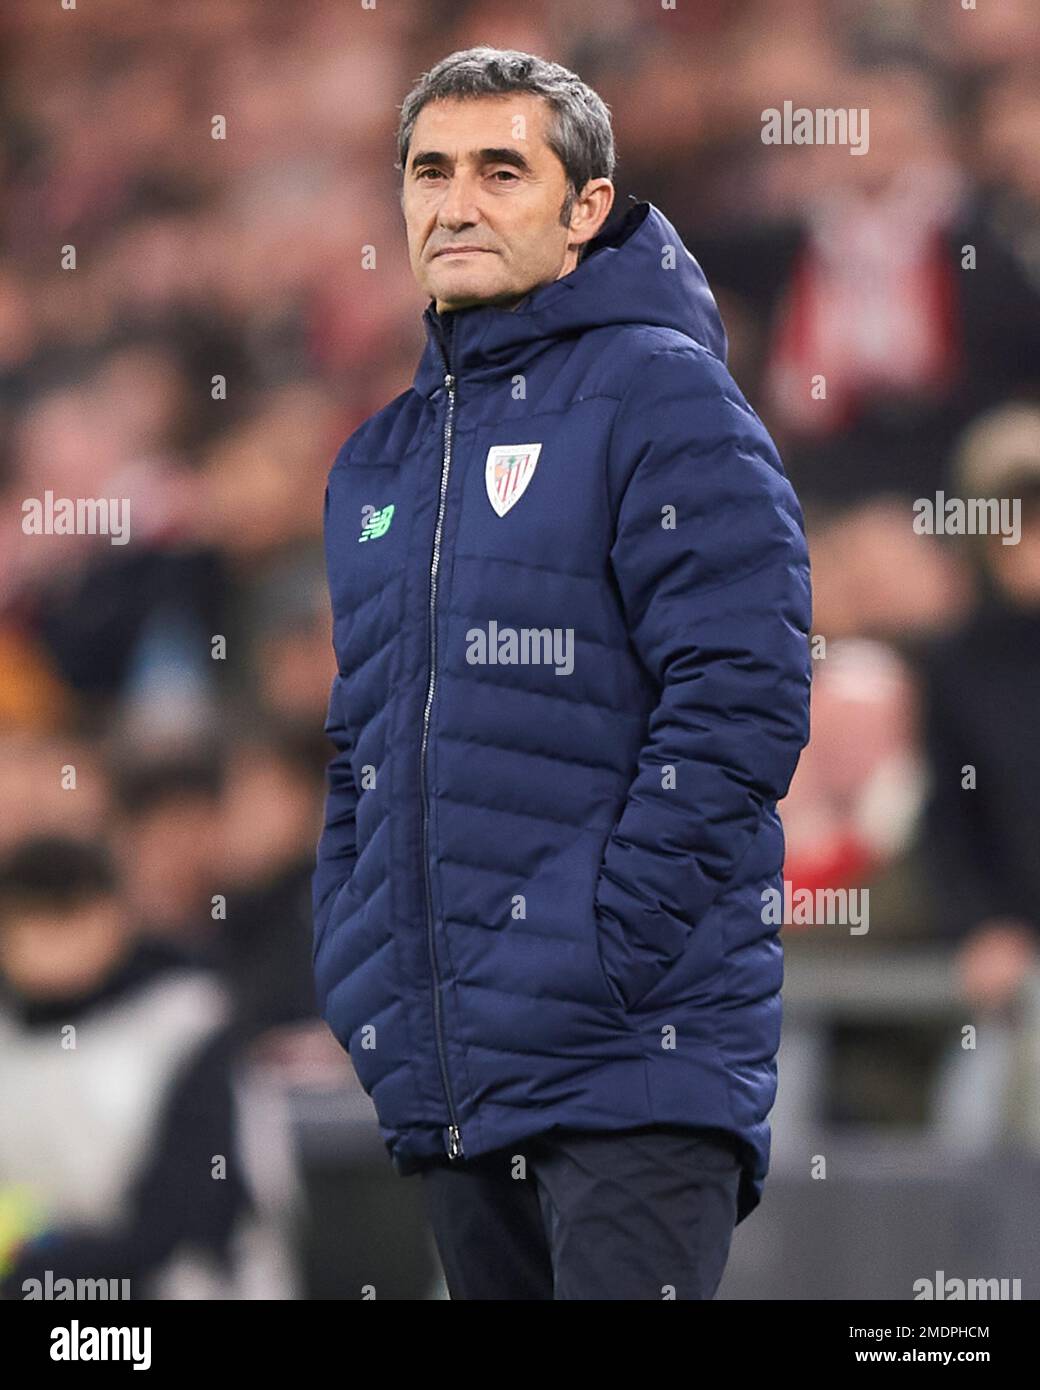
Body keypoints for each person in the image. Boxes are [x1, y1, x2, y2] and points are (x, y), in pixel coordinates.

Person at [312, 47, 812, 1300]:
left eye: (501, 170)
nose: (456, 203)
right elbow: (357, 744)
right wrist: (357, 951)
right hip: (451, 1063)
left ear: (584, 210)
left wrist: (604, 945)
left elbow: (741, 693)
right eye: (429, 170)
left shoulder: (662, 396)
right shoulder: (378, 458)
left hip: (630, 1051)